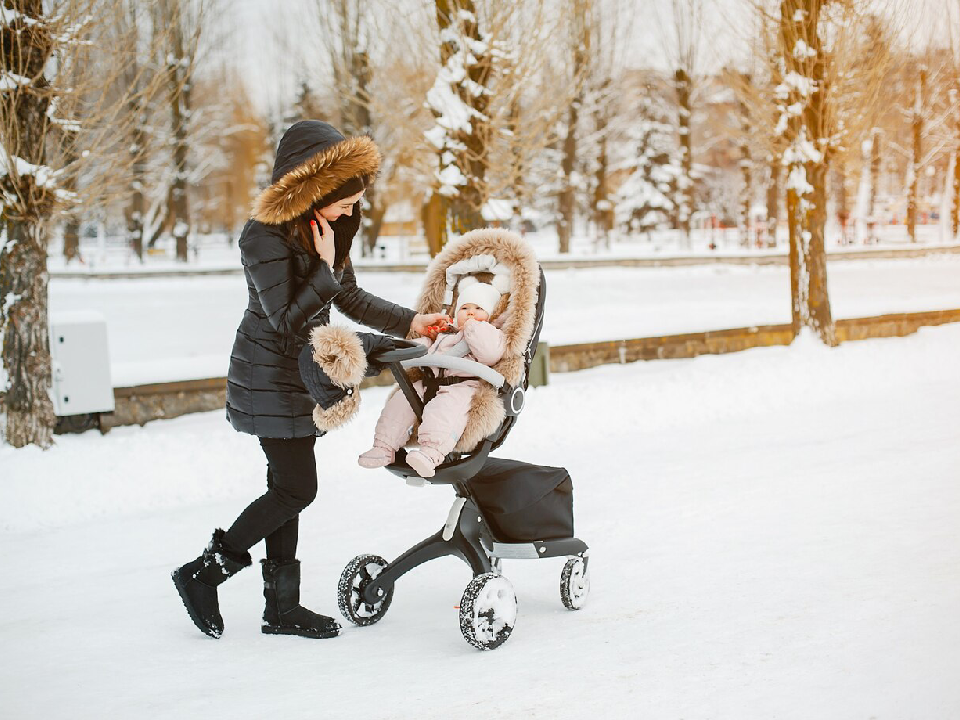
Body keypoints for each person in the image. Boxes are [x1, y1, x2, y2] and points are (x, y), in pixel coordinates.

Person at [171, 121, 449, 640]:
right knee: (297, 488)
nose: (350, 214)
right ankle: (204, 573)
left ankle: (281, 609)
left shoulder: (329, 229)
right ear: (314, 191)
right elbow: (287, 322)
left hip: (300, 374)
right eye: (344, 204)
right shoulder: (261, 236)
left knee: (287, 489)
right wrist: (321, 267)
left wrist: (413, 322)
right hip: (267, 372)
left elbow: (349, 297)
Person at [357, 278, 506, 479]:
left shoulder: (489, 333)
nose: (470, 312)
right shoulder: (446, 335)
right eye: (465, 308)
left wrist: (472, 327)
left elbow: (490, 353)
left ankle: (431, 454)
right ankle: (384, 446)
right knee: (401, 401)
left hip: (462, 386)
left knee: (443, 412)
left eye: (479, 308)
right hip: (431, 382)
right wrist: (413, 346)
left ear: (491, 314)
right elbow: (422, 349)